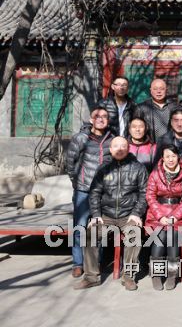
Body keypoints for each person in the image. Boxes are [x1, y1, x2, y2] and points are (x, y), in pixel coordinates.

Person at [73, 137, 147, 291]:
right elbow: (94, 192)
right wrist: (96, 215)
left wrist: (136, 213)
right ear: (111, 149)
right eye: (116, 146)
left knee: (134, 234)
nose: (119, 149)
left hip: (128, 215)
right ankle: (91, 277)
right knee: (90, 234)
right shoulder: (103, 168)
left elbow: (144, 193)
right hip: (106, 215)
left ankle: (128, 277)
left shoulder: (138, 168)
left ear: (128, 149)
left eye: (123, 146)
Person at [65, 106, 113, 278]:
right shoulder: (81, 138)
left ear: (108, 120)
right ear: (91, 120)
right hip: (83, 190)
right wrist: (77, 182)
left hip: (103, 191)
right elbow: (70, 163)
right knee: (80, 226)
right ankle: (77, 263)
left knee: (98, 228)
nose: (101, 118)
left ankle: (96, 262)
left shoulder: (111, 139)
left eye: (104, 116)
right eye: (97, 116)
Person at [146, 144, 182, 291]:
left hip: (178, 213)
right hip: (157, 214)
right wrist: (160, 216)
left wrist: (175, 216)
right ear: (162, 158)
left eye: (173, 156)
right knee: (159, 235)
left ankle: (172, 274)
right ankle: (156, 274)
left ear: (178, 157)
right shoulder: (155, 174)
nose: (170, 159)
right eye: (167, 156)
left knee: (173, 234)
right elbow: (150, 196)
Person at [135, 78, 177, 142]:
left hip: (171, 145)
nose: (158, 91)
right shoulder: (141, 108)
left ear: (166, 90)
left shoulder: (174, 107)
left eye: (161, 89)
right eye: (155, 89)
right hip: (150, 145)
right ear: (151, 91)